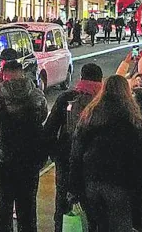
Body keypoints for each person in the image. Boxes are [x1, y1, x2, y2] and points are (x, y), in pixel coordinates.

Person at [69, 75, 142, 232]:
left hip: (92, 180)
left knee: (97, 225)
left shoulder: (90, 114)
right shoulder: (133, 118)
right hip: (120, 183)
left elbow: (77, 152)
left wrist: (74, 186)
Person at [0, 60, 48, 232]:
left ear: (5, 74)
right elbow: (42, 118)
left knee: (5, 207)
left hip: (5, 157)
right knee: (28, 206)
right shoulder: (37, 96)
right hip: (30, 157)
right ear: (21, 73)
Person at [43, 63, 103, 232]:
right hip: (94, 163)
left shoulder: (66, 98)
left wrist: (55, 154)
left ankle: (61, 228)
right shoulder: (103, 101)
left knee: (63, 203)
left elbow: (49, 130)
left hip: (66, 159)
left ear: (81, 77)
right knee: (92, 207)